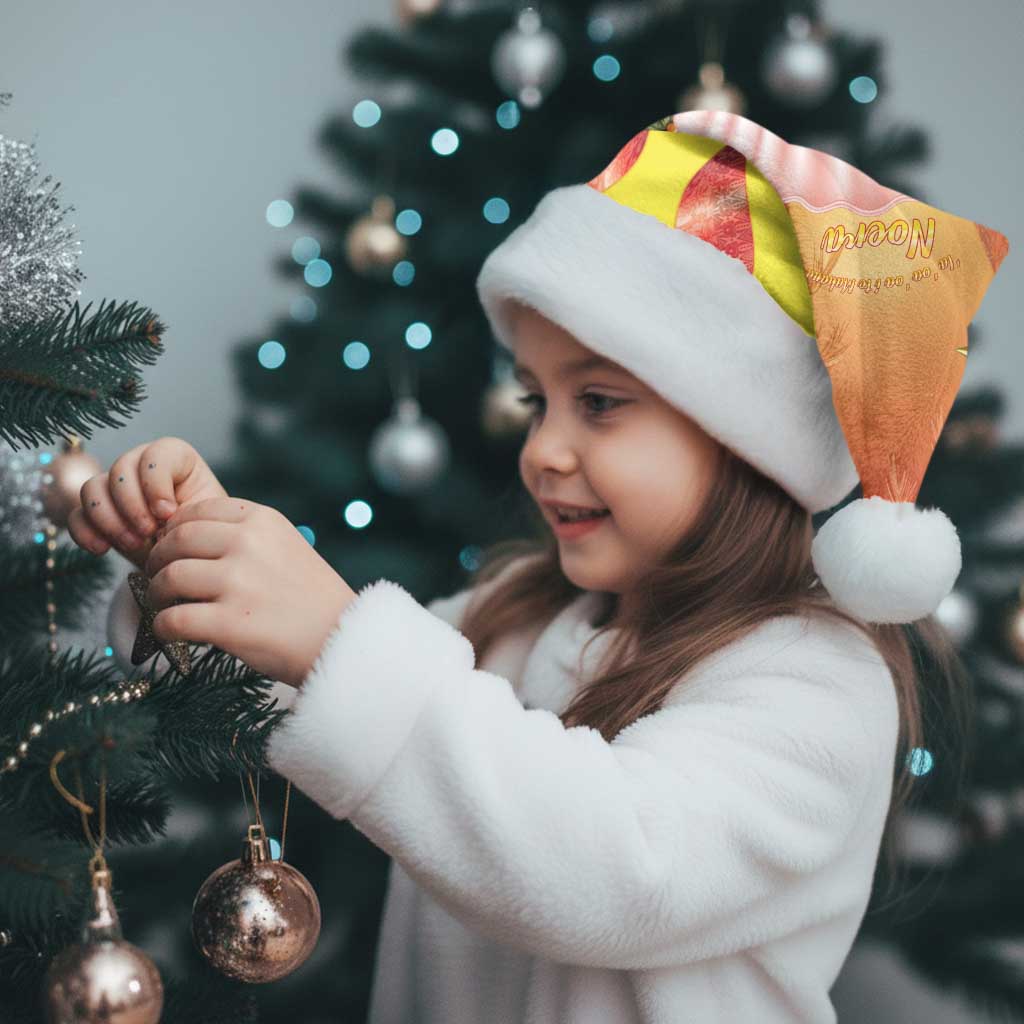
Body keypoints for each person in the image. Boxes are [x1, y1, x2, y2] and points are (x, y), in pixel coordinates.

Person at [73, 110, 1009, 1023]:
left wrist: (335, 636)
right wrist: (191, 566)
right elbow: (307, 692)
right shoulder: (514, 616)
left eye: (598, 403)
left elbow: (616, 871)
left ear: (747, 441)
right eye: (535, 401)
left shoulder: (818, 683)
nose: (543, 450)